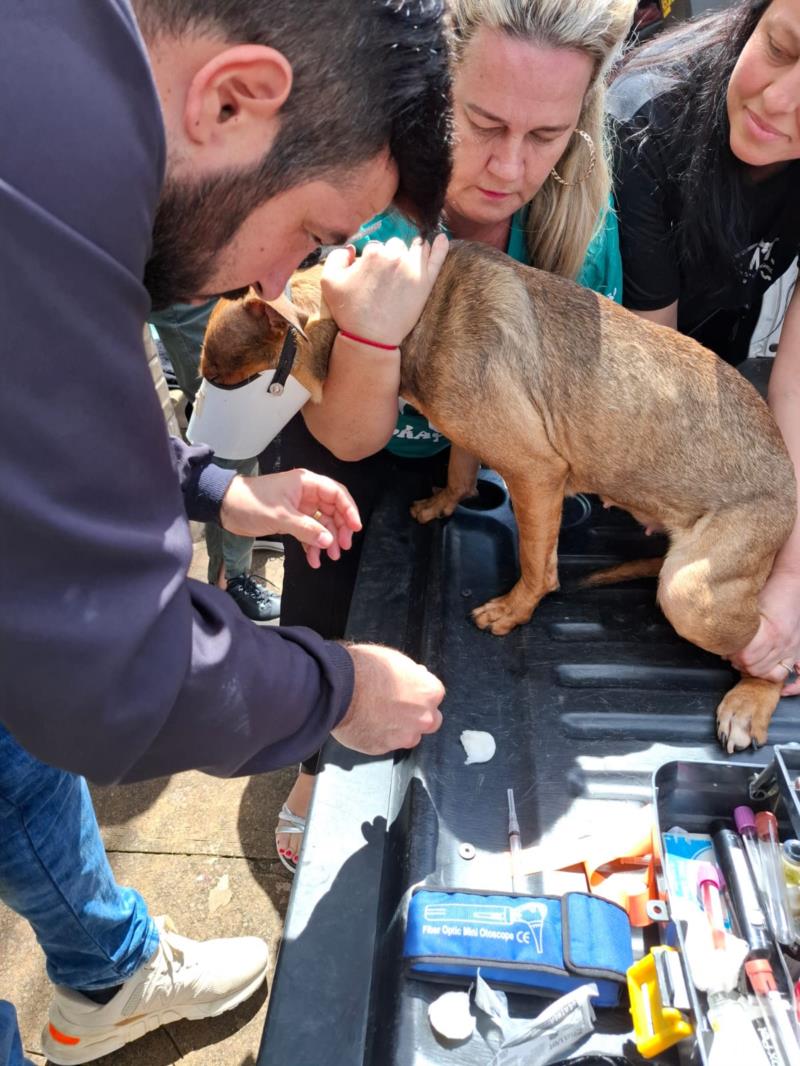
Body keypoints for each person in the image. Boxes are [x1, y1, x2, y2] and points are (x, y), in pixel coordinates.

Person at [0, 0, 452, 1061]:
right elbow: (114, 681)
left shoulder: (58, 79)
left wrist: (211, 487)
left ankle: (109, 972)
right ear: (234, 97)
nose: (269, 285)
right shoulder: (48, 203)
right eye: (314, 233)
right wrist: (337, 686)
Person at [275, 0, 637, 870]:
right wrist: (368, 335)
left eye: (546, 135)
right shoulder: (361, 197)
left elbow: (581, 401)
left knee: (474, 636)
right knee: (328, 587)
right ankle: (312, 763)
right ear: (437, 87)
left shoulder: (580, 231)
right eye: (482, 123)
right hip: (351, 436)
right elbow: (349, 436)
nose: (510, 168)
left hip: (488, 442)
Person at [608, 0, 800, 695]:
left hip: (722, 367)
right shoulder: (644, 124)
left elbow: (797, 383)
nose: (777, 103)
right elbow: (655, 374)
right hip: (633, 379)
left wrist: (789, 582)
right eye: (779, 47)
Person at [149, 300, 282, 623]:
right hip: (193, 295)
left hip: (224, 287)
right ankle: (229, 581)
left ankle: (245, 530)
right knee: (231, 433)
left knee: (244, 426)